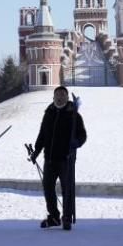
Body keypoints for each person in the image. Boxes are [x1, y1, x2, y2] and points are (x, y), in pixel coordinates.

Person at [30, 86, 87, 230]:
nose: (60, 97)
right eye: (57, 95)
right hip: (49, 158)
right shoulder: (49, 113)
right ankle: (54, 216)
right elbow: (43, 133)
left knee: (67, 188)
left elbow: (82, 134)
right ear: (53, 97)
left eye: (63, 95)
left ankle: (66, 217)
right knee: (48, 187)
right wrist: (36, 150)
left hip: (66, 158)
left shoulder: (73, 115)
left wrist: (77, 143)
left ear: (67, 98)